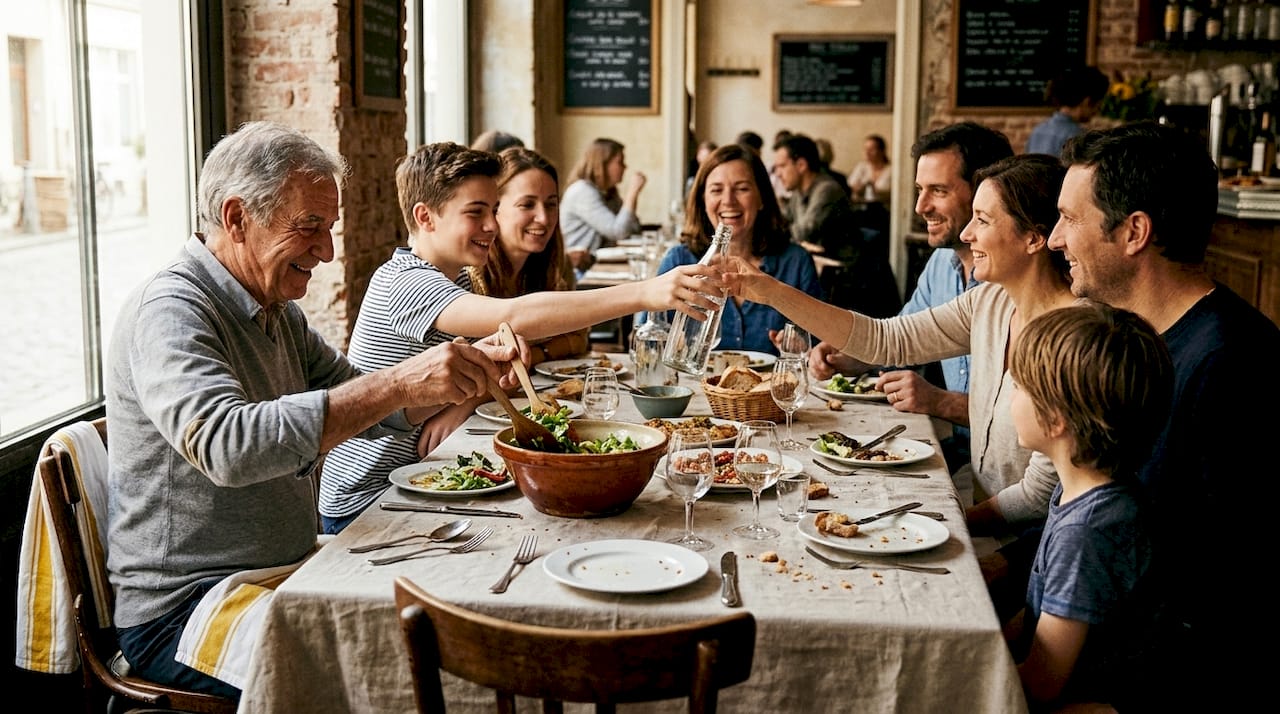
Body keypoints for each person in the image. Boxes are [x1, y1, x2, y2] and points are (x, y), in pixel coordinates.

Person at [104, 121, 523, 697]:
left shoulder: (275, 308)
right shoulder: (171, 310)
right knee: (402, 665)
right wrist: (399, 383)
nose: (326, 251)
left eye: (329, 229)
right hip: (188, 608)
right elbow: (227, 446)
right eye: (310, 228)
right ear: (236, 218)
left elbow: (367, 402)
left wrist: (461, 376)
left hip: (287, 568)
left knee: (458, 607)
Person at [319, 142, 723, 532]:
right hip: (367, 500)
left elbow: (475, 360)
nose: (492, 226)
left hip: (419, 476)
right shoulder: (404, 282)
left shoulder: (454, 275)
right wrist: (645, 293)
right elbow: (513, 316)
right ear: (425, 217)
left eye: (493, 210)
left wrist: (482, 380)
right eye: (476, 212)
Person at [1042, 120, 1280, 708]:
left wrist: (1121, 704)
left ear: (1134, 232)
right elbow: (1096, 499)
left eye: (1070, 218)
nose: (1053, 240)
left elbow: (1233, 588)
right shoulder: (1128, 342)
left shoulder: (1234, 367)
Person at [721, 153, 1073, 532]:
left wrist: (948, 526)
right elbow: (885, 340)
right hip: (980, 510)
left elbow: (1040, 496)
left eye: (982, 221)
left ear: (1034, 238)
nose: (968, 234)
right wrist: (770, 291)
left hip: (1024, 544)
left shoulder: (1073, 339)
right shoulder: (991, 301)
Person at [809, 121, 1014, 479]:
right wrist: (851, 358)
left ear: (986, 193)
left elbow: (1031, 426)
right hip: (959, 456)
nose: (921, 206)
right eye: (919, 189)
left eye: (938, 191)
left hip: (998, 480)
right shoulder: (940, 263)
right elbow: (899, 342)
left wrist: (941, 402)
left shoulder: (1015, 285)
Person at [1002, 304, 1173, 710]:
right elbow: (1033, 616)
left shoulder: (1087, 532)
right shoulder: (1086, 494)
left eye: (1022, 387)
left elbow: (1042, 684)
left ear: (1056, 420)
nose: (1012, 393)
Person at [654, 143, 821, 354]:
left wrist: (804, 348)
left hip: (772, 386)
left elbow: (822, 346)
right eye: (716, 190)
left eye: (742, 189)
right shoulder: (678, 262)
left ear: (762, 198)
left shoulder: (796, 262)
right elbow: (649, 337)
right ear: (702, 200)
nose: (728, 201)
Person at [466, 147, 587, 366]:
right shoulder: (469, 275)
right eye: (527, 205)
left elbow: (579, 338)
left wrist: (537, 354)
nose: (543, 217)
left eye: (551, 204)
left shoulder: (557, 264)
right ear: (495, 209)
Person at [560, 138, 645, 275]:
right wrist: (632, 193)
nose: (625, 167)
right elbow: (619, 232)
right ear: (603, 164)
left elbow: (633, 229)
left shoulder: (608, 192)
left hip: (597, 267)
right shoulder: (582, 191)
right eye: (620, 162)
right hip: (577, 271)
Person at [772, 133, 857, 260]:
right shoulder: (798, 192)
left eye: (782, 166)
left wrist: (769, 232)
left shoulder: (827, 190)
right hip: (816, 263)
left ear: (801, 165)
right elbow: (784, 221)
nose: (778, 174)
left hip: (841, 270)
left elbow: (804, 233)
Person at [1025, 65, 1109, 157]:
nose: (1097, 112)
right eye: (1098, 105)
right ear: (1087, 102)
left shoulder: (1037, 131)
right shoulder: (1079, 137)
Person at [846, 133, 892, 204]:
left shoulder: (891, 170)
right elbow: (850, 186)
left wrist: (875, 191)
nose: (867, 152)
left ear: (882, 151)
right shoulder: (861, 167)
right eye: (865, 149)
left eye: (871, 149)